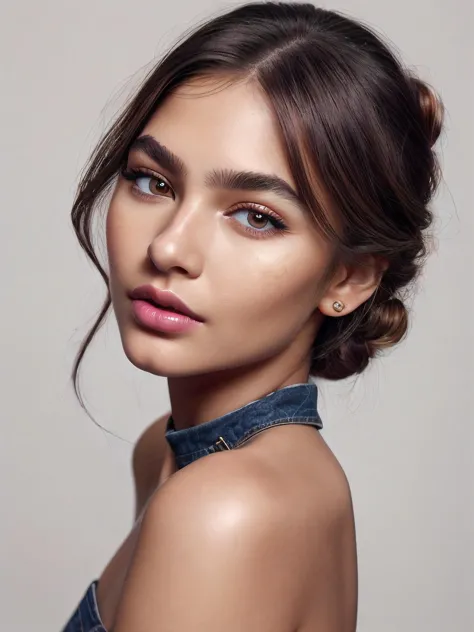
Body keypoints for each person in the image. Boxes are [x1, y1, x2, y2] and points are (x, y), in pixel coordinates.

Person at [62, 2, 444, 631]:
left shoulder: (225, 509)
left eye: (256, 217)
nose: (169, 248)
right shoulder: (169, 452)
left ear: (349, 277)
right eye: (153, 181)